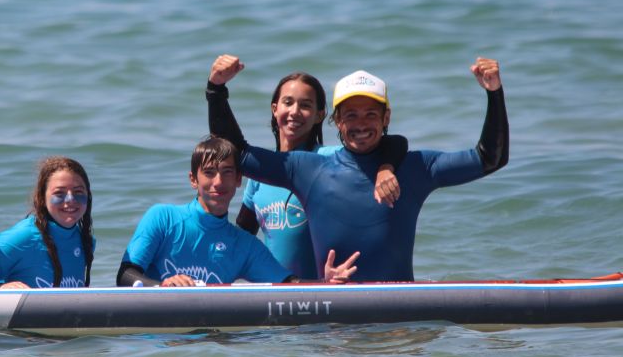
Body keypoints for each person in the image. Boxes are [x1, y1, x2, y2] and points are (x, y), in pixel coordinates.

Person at [207, 55, 508, 282]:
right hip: (335, 323)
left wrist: (494, 93)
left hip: (399, 320)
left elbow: (489, 159)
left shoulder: (417, 168)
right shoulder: (308, 168)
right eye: (350, 115)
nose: (361, 124)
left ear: (386, 117)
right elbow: (239, 154)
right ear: (336, 121)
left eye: (370, 114)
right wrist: (216, 90)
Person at [117, 136, 359, 287]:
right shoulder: (163, 218)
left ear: (239, 180)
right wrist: (162, 286)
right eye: (209, 172)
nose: (219, 182)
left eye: (227, 172)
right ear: (193, 179)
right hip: (157, 348)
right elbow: (126, 275)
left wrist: (324, 284)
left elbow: (288, 284)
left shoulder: (243, 245)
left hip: (214, 351)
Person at [234, 71, 407, 279]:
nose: (295, 111)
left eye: (306, 105)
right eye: (288, 102)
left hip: (324, 294)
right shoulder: (259, 176)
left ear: (320, 115)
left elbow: (395, 142)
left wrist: (385, 168)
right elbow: (241, 241)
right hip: (278, 296)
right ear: (274, 109)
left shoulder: (328, 160)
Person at [0, 156, 95, 289]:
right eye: (59, 193)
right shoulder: (22, 237)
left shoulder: (85, 240)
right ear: (42, 198)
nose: (70, 199)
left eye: (78, 192)